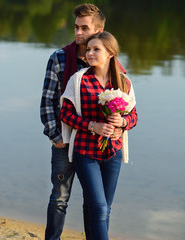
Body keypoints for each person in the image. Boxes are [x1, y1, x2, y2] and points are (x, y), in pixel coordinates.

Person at [40, 4, 126, 240]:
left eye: (84, 28)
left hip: (96, 146)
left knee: (96, 205)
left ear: (99, 30)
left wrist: (119, 127)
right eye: (76, 27)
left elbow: (125, 105)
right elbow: (48, 102)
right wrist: (57, 138)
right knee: (59, 198)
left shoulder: (112, 66)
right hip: (65, 143)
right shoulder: (59, 58)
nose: (78, 33)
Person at [59, 31, 138, 240]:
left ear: (110, 53)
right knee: (99, 207)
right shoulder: (79, 80)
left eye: (97, 49)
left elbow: (134, 116)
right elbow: (65, 114)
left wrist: (123, 123)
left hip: (113, 152)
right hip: (85, 152)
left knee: (104, 209)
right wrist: (92, 125)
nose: (90, 53)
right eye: (89, 49)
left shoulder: (124, 82)